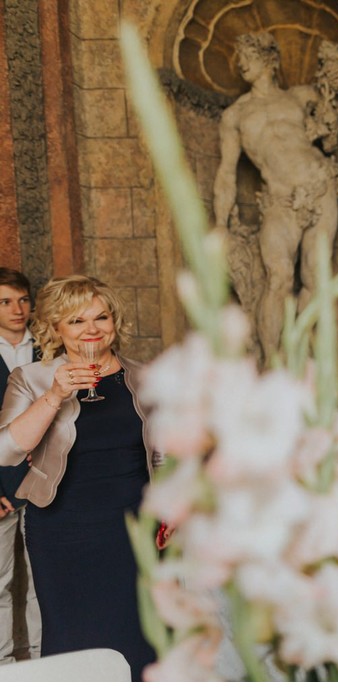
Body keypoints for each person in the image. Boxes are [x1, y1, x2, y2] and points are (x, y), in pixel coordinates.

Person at [0, 275, 158, 680]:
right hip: (62, 527)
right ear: (55, 328)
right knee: (73, 634)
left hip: (134, 523)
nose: (91, 329)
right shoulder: (32, 379)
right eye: (76, 321)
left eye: (100, 317)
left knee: (141, 631)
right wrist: (54, 396)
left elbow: (164, 451)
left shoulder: (144, 376)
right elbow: (6, 451)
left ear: (114, 320)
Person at [213, 32, 338, 360]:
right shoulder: (235, 115)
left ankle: (299, 357)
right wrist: (221, 223)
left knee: (314, 278)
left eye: (248, 54)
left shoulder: (299, 97)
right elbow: (226, 173)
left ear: (269, 60)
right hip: (278, 199)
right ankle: (272, 363)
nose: (241, 63)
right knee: (278, 277)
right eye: (240, 57)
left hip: (319, 187)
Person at [0, 269, 39, 663]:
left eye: (24, 299)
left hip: (44, 484)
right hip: (0, 488)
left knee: (43, 582)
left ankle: (46, 662)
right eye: (6, 301)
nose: (18, 309)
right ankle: (4, 668)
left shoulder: (51, 347)